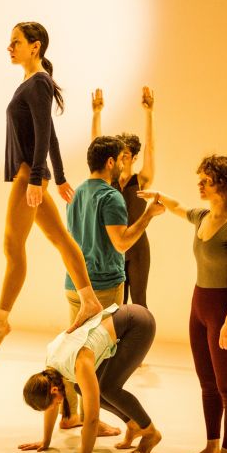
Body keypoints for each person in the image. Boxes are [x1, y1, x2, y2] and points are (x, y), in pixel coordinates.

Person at [0, 22, 102, 360]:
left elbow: (42, 133)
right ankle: (89, 299)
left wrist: (37, 177)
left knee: (12, 246)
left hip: (27, 177)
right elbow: (49, 133)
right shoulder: (33, 83)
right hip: (32, 175)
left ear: (34, 47)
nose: (9, 47)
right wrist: (59, 176)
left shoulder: (38, 83)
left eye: (15, 42)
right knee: (61, 238)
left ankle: (1, 320)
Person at [138, 155, 227, 453]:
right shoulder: (202, 216)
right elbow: (177, 208)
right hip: (199, 307)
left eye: (206, 180)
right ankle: (211, 445)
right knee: (207, 383)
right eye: (199, 178)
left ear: (224, 185)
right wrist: (158, 197)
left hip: (224, 311)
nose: (199, 184)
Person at [60, 135, 164, 429]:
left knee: (76, 353)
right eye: (121, 159)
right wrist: (149, 216)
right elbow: (121, 243)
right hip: (103, 288)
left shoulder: (77, 193)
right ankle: (94, 418)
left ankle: (71, 415)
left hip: (75, 285)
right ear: (110, 162)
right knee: (98, 362)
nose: (123, 164)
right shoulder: (110, 196)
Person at [20, 304, 162, 453]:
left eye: (52, 404)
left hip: (138, 323)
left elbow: (92, 419)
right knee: (81, 388)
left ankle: (150, 432)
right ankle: (134, 425)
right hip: (122, 323)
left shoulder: (80, 364)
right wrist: (46, 441)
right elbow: (51, 406)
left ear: (54, 390)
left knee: (109, 388)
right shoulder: (49, 372)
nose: (55, 407)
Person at [91, 87, 155, 307]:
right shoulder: (109, 180)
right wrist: (97, 113)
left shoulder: (142, 180)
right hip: (115, 248)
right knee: (114, 306)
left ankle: (140, 340)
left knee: (139, 304)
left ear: (134, 157)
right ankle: (114, 342)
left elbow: (151, 150)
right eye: (119, 154)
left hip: (138, 249)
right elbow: (96, 147)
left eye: (126, 154)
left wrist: (149, 113)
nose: (121, 158)